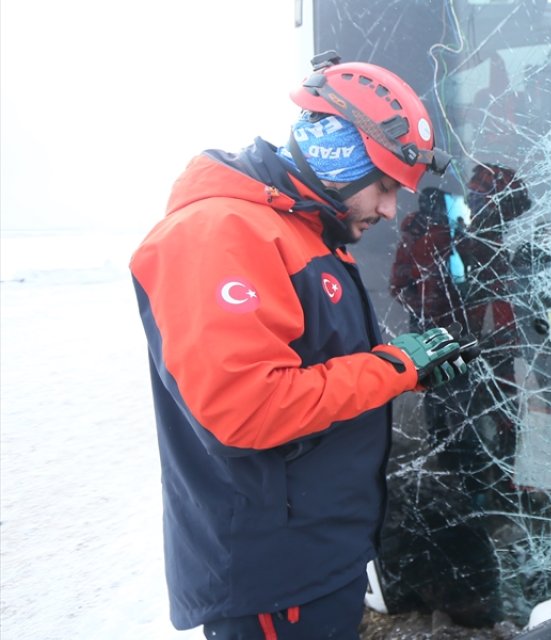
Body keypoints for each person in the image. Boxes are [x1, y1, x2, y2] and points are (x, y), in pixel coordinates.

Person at [130, 52, 470, 638]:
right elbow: (245, 410)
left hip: (316, 551)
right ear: (342, 156)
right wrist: (394, 366)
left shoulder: (303, 230)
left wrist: (409, 371)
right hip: (273, 574)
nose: (391, 210)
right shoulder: (222, 233)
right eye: (386, 186)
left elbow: (324, 369)